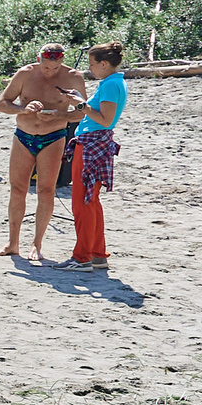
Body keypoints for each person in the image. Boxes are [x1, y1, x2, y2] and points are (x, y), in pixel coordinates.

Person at [0, 44, 86, 263]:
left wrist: (58, 115)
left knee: (46, 190)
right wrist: (23, 109)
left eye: (55, 68)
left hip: (53, 137)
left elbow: (84, 112)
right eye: (46, 67)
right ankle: (12, 243)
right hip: (23, 135)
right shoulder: (25, 73)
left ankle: (37, 244)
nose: (50, 72)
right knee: (18, 189)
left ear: (62, 61)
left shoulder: (73, 78)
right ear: (39, 59)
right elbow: (1, 104)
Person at [67, 42, 127, 273]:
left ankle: (82, 257)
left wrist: (80, 104)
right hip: (95, 144)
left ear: (104, 63)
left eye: (92, 64)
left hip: (92, 144)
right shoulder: (112, 82)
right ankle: (97, 255)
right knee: (91, 201)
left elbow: (104, 119)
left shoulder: (111, 85)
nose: (90, 69)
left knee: (83, 202)